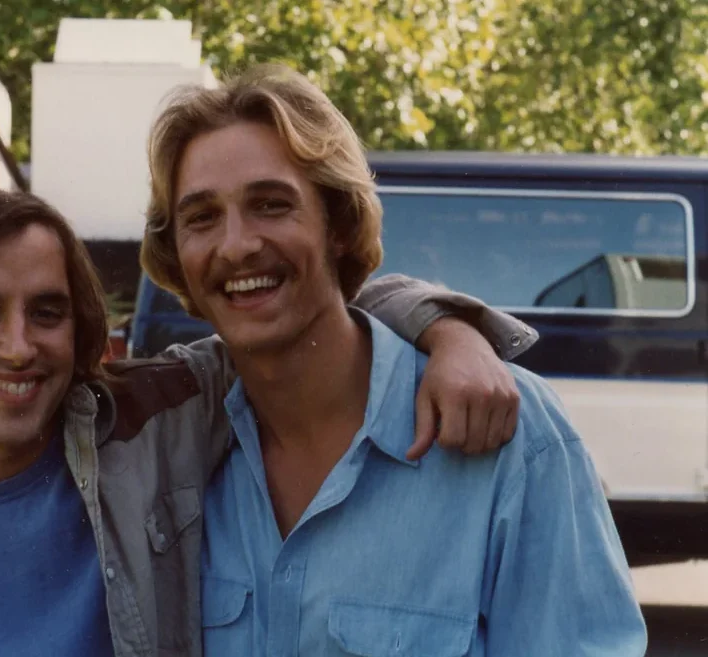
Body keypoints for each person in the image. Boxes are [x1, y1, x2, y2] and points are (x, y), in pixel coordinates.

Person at [0, 187, 533, 657]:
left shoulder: (144, 429)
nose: (19, 346)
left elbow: (305, 315)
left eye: (46, 312)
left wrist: (444, 329)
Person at [139, 63, 647, 656]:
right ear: (176, 254)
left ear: (338, 224)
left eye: (271, 205)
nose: (237, 244)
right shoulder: (169, 448)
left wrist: (450, 330)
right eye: (201, 217)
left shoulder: (514, 439)